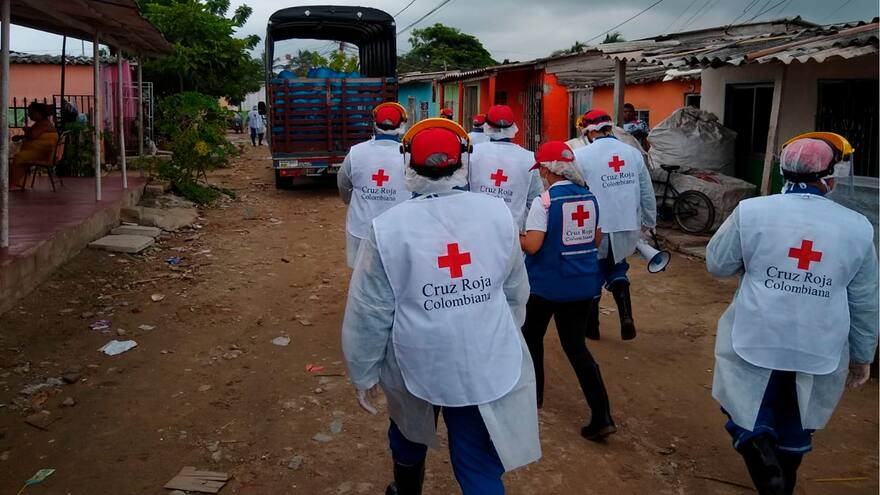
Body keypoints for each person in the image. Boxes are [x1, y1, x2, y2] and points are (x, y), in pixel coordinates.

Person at [342, 117, 540, 495]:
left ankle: (406, 490)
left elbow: (369, 311)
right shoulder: (498, 214)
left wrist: (364, 372)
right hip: (483, 359)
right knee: (478, 461)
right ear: (464, 163)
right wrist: (497, 332)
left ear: (407, 165)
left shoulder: (388, 228)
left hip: (418, 359)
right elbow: (516, 291)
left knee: (409, 434)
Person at [706, 133, 878, 495]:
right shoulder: (858, 227)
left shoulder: (753, 211)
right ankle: (780, 479)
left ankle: (766, 469)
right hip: (819, 343)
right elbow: (864, 300)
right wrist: (862, 357)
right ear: (830, 177)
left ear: (784, 170)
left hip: (756, 334)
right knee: (795, 423)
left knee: (746, 408)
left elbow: (718, 264)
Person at [520, 141, 617, 440]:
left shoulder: (545, 202)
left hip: (545, 286)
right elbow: (596, 238)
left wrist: (517, 235)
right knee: (576, 348)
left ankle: (533, 399)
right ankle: (602, 415)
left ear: (549, 170)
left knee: (531, 338)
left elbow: (533, 246)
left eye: (543, 171)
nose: (541, 176)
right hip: (582, 285)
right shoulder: (590, 198)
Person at [573, 109, 656, 341]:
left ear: (588, 131)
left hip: (595, 226)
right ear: (610, 127)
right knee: (618, 267)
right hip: (627, 224)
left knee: (594, 272)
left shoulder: (582, 156)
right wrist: (649, 223)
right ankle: (626, 316)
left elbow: (576, 192)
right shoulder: (632, 153)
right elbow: (647, 193)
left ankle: (592, 327)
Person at [337, 102, 411, 268]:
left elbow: (343, 182)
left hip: (362, 228)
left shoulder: (355, 152)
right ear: (401, 125)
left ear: (375, 124)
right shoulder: (409, 155)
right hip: (399, 230)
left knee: (363, 276)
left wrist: (349, 200)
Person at [468, 105, 542, 230]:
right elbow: (536, 201)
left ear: (487, 126)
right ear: (513, 127)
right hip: (513, 233)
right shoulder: (529, 158)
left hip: (478, 229)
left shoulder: (472, 153)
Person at [10, 102, 58, 189]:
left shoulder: (43, 123)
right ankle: (19, 181)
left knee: (19, 157)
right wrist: (21, 136)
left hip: (43, 154)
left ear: (40, 113)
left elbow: (32, 135)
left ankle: (16, 183)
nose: (29, 115)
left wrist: (26, 130)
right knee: (19, 157)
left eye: (31, 113)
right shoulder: (40, 123)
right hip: (39, 152)